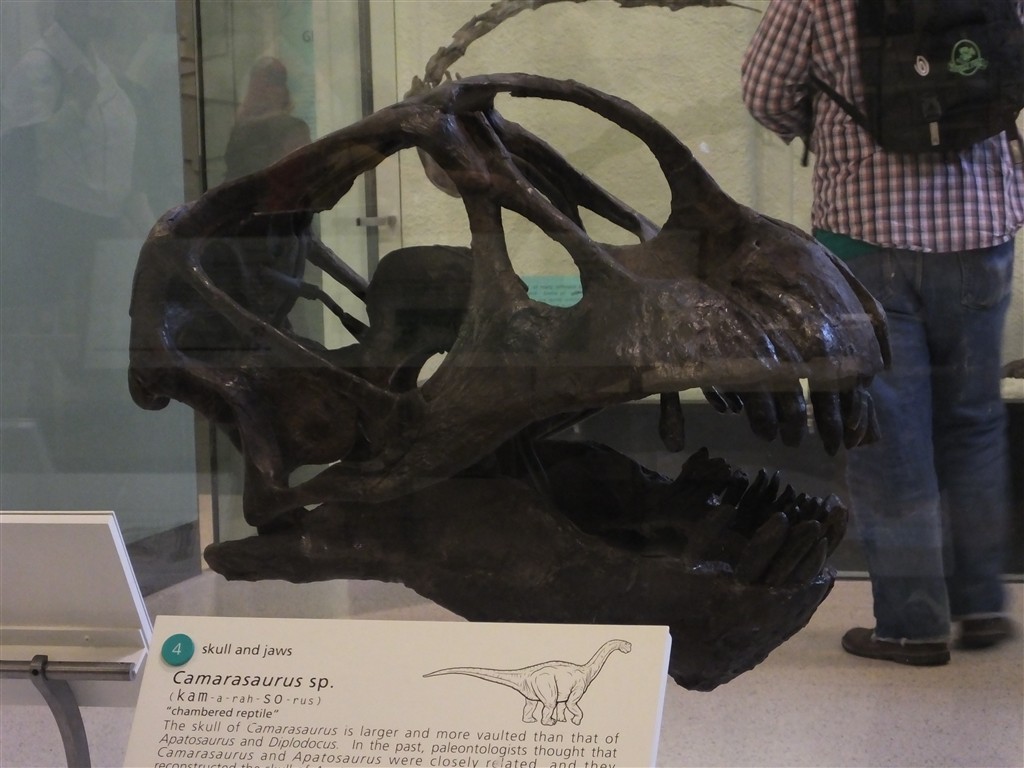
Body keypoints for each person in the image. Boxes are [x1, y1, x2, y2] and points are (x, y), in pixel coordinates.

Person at [741, 0, 1023, 665]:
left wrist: (837, 131)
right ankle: (981, 606)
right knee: (975, 421)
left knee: (890, 434)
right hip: (983, 228)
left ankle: (913, 625)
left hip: (864, 235)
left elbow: (765, 92)